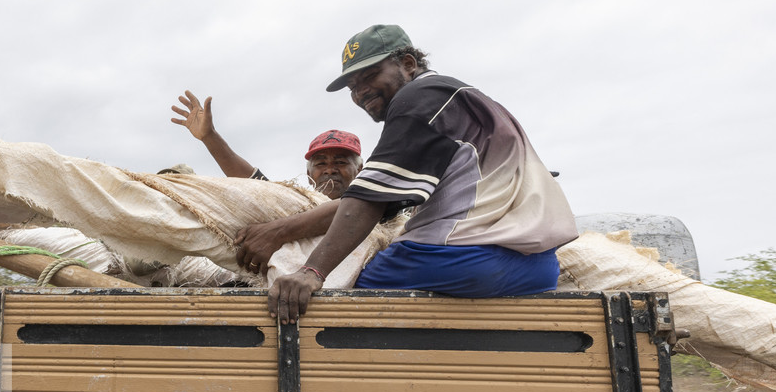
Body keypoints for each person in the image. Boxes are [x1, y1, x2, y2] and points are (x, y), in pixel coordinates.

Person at [268, 24, 577, 322]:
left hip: (461, 259)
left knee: (350, 298)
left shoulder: (419, 97)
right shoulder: (472, 100)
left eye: (370, 76)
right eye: (352, 87)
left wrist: (312, 271)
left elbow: (370, 199)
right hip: (537, 267)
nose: (361, 92)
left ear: (408, 64)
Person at [170, 92, 364, 272]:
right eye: (321, 163)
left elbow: (351, 210)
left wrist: (277, 233)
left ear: (360, 170)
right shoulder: (293, 207)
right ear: (308, 174)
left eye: (340, 162)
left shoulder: (372, 207)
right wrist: (209, 137)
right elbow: (254, 185)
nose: (330, 169)